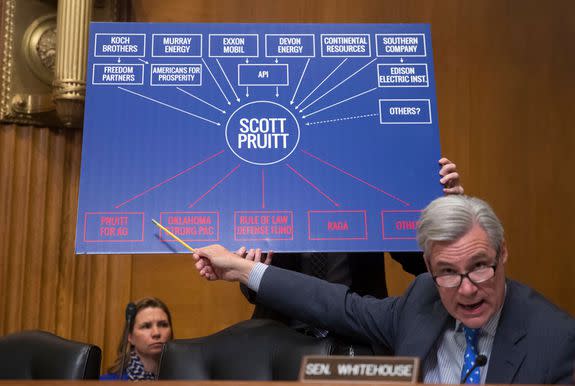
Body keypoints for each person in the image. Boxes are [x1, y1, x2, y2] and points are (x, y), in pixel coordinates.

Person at [193, 195, 575, 384]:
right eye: (448, 273)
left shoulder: (557, 341)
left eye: (479, 268)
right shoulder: (421, 301)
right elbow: (333, 305)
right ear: (428, 269)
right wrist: (244, 270)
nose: (467, 290)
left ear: (502, 253)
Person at [239, 158, 463, 335]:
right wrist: (247, 266)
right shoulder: (270, 187)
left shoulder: (368, 183)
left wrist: (444, 214)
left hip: (359, 331)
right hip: (279, 334)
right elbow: (253, 289)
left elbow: (420, 262)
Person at [101, 297, 174, 380]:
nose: (156, 333)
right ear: (130, 336)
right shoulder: (107, 382)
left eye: (163, 325)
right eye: (146, 326)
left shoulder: (185, 379)